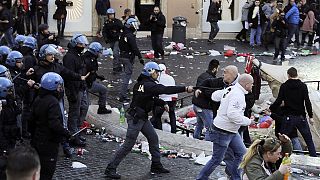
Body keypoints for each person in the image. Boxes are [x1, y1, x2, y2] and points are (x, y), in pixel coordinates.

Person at [104, 62, 194, 179]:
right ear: (151, 72)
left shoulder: (141, 84)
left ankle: (156, 165)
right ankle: (110, 168)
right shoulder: (149, 85)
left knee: (153, 138)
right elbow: (165, 90)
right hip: (136, 119)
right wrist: (185, 88)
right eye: (156, 72)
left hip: (141, 117)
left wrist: (162, 103)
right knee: (128, 145)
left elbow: (149, 98)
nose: (157, 74)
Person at [196, 74, 255, 180]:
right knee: (217, 159)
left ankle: (235, 177)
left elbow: (214, 96)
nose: (252, 86)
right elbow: (232, 114)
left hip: (231, 130)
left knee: (242, 153)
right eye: (252, 84)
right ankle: (201, 178)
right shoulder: (238, 95)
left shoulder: (231, 89)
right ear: (246, 85)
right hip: (223, 131)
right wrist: (248, 121)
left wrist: (224, 98)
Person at [31, 72, 72, 180]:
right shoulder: (53, 102)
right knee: (47, 171)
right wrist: (66, 133)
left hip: (38, 139)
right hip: (49, 142)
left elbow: (31, 119)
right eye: (59, 86)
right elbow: (54, 124)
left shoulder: (38, 98)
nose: (60, 89)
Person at [269, 67, 317, 157]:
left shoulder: (284, 86)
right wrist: (310, 116)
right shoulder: (303, 86)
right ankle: (315, 160)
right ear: (296, 74)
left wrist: (271, 109)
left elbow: (279, 100)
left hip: (289, 118)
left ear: (288, 75)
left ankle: (279, 158)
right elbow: (307, 102)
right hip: (301, 117)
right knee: (309, 140)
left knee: (282, 140)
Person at [63, 34, 89, 147]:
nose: (82, 46)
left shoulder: (78, 55)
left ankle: (77, 131)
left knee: (83, 108)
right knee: (74, 112)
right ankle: (73, 135)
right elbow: (69, 75)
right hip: (74, 88)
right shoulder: (69, 57)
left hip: (81, 87)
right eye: (80, 44)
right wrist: (72, 92)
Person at [192, 59, 220, 139]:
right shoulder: (212, 80)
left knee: (199, 124)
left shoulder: (202, 75)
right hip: (204, 107)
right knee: (210, 128)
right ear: (214, 69)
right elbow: (210, 95)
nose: (217, 70)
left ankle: (195, 140)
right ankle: (206, 145)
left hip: (196, 105)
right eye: (217, 68)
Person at [118, 18, 144, 102]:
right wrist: (140, 57)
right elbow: (134, 48)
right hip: (128, 57)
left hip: (122, 55)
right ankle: (123, 95)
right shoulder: (130, 35)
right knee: (127, 76)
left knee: (125, 74)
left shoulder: (123, 33)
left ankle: (124, 91)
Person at [83, 42, 112, 114]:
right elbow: (89, 72)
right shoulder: (90, 60)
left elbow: (92, 72)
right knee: (103, 90)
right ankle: (102, 108)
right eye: (99, 52)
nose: (100, 54)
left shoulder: (89, 57)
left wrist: (98, 76)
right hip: (87, 83)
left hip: (87, 82)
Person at [151, 64, 178, 133]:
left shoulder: (157, 79)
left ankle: (160, 131)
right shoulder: (171, 78)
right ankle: (174, 131)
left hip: (162, 100)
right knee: (172, 114)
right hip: (172, 99)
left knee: (157, 116)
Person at [102, 8, 123, 74]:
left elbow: (122, 29)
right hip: (111, 40)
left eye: (112, 14)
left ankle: (115, 67)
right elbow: (104, 31)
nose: (111, 16)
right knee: (116, 54)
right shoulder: (106, 22)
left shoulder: (117, 21)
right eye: (110, 15)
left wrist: (118, 34)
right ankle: (119, 66)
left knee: (115, 53)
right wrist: (105, 38)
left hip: (117, 39)